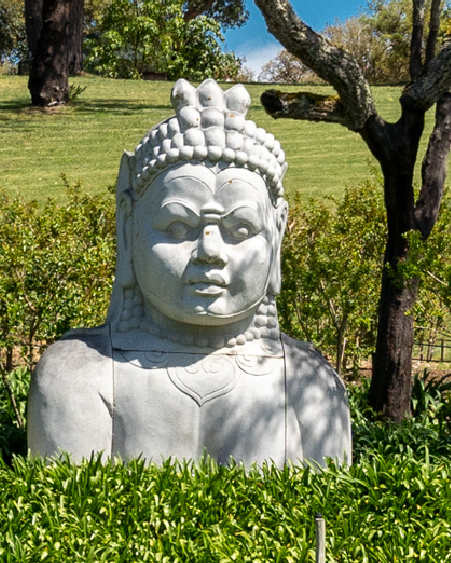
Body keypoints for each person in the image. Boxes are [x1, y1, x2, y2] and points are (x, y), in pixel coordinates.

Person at [27, 80, 351, 465]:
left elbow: (328, 516)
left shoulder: (308, 384)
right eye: (179, 227)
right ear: (128, 229)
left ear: (276, 236)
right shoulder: (78, 377)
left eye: (241, 230)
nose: (210, 252)